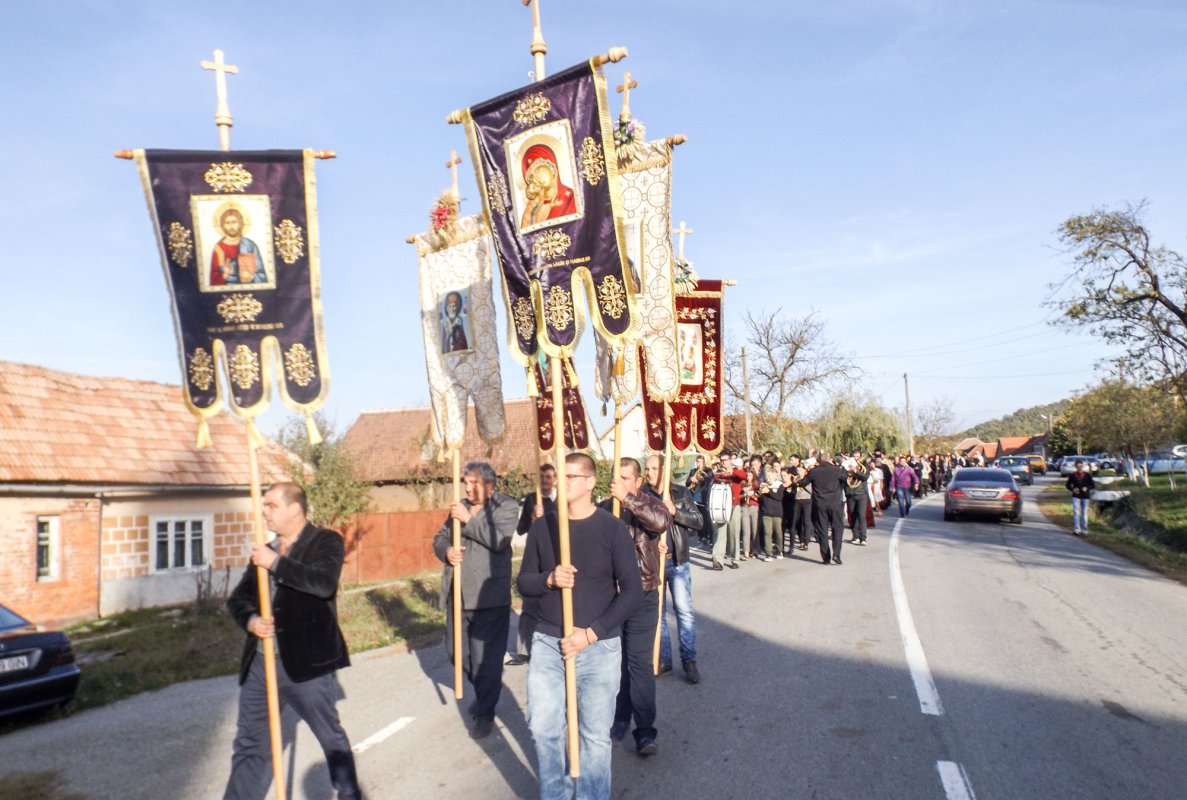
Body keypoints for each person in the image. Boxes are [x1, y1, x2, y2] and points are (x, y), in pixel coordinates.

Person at [224, 482, 361, 800]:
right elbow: (238, 598)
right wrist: (251, 620)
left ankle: (349, 792)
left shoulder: (324, 541)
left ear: (295, 508)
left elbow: (322, 584)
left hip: (307, 662)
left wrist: (275, 563)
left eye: (271, 505)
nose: (264, 511)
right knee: (248, 743)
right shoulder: (266, 548)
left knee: (330, 736)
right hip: (261, 663)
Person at [518, 453, 643, 800]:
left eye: (571, 476)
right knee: (543, 728)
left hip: (598, 647)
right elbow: (523, 583)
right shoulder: (543, 527)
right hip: (547, 643)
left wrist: (590, 634)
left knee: (593, 736)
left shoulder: (613, 529)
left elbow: (632, 593)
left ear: (590, 483)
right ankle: (556, 795)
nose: (562, 481)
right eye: (560, 475)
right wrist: (549, 578)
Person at [432, 461, 518, 739]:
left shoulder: (506, 506)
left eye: (473, 483)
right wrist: (447, 551)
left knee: (486, 661)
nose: (467, 488)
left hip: (488, 597)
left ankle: (485, 711)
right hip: (457, 595)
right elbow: (440, 537)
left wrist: (468, 520)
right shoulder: (459, 507)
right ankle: (484, 694)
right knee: (456, 653)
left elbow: (499, 540)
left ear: (489, 485)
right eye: (465, 482)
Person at [600, 457, 672, 756]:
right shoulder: (604, 509)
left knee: (639, 663)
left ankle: (645, 732)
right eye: (616, 478)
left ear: (638, 481)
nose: (620, 483)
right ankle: (620, 716)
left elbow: (661, 522)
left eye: (626, 478)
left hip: (642, 594)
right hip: (611, 597)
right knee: (616, 663)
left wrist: (628, 500)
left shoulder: (650, 502)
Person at [645, 455, 702, 684]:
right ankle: (663, 658)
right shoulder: (643, 496)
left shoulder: (680, 493)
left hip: (678, 562)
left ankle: (689, 661)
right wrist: (651, 542)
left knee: (684, 612)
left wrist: (675, 512)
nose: (648, 472)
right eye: (646, 468)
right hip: (654, 564)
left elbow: (698, 522)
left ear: (664, 470)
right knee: (657, 616)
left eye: (653, 468)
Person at [509, 464, 558, 666]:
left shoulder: (561, 500)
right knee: (529, 605)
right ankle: (524, 651)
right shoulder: (531, 499)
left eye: (549, 477)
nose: (545, 482)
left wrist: (546, 516)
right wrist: (531, 519)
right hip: (534, 558)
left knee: (553, 604)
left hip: (555, 557)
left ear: (555, 479)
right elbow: (520, 530)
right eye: (542, 478)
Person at [797, 452, 848, 565]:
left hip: (820, 504)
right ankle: (837, 555)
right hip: (835, 503)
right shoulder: (837, 470)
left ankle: (826, 558)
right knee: (837, 529)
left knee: (822, 531)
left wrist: (795, 482)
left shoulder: (814, 472)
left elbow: (802, 483)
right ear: (830, 459)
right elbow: (847, 481)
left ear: (818, 461)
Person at [519, 143, 578, 228]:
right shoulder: (531, 209)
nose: (537, 177)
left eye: (539, 169)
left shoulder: (572, 198)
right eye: (531, 175)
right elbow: (526, 238)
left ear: (552, 167)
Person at [710, 451, 747, 569]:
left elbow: (744, 476)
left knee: (734, 533)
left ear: (730, 460)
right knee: (721, 533)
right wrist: (718, 475)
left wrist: (733, 471)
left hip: (734, 505)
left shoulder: (736, 472)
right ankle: (718, 560)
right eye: (722, 460)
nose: (724, 462)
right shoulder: (718, 474)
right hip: (722, 507)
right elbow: (714, 482)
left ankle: (735, 559)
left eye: (726, 460)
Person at [211, 207, 265, 286]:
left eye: (234, 222)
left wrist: (251, 276)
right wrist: (225, 274)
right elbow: (213, 279)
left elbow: (262, 275)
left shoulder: (250, 245)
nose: (231, 226)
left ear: (240, 223)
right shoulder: (218, 248)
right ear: (223, 225)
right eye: (227, 223)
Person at [685, 454, 714, 547]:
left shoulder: (708, 470)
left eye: (701, 462)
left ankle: (708, 537)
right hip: (694, 496)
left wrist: (702, 479)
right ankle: (700, 536)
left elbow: (710, 479)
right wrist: (691, 479)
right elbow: (687, 483)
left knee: (706, 518)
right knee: (698, 518)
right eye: (698, 462)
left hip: (704, 496)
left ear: (704, 462)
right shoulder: (693, 471)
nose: (699, 464)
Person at [757, 462, 785, 560]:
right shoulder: (764, 484)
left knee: (778, 532)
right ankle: (768, 553)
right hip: (766, 512)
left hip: (777, 512)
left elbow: (779, 497)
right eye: (766, 475)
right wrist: (761, 492)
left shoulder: (779, 485)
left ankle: (779, 550)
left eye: (769, 475)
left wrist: (769, 491)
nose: (768, 477)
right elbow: (761, 500)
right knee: (767, 532)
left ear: (774, 475)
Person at [844, 452, 870, 545]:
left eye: (858, 457)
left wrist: (856, 471)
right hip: (850, 493)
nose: (856, 458)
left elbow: (865, 477)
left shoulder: (865, 466)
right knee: (853, 515)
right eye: (854, 456)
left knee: (861, 516)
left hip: (861, 493)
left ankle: (863, 538)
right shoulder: (846, 465)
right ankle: (855, 536)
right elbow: (843, 477)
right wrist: (848, 472)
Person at [1066, 460, 1095, 537]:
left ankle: (1084, 530)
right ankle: (1076, 529)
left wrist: (1087, 488)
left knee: (1084, 513)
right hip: (1076, 496)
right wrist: (1073, 489)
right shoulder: (1073, 475)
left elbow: (1092, 485)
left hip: (1085, 496)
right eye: (1078, 466)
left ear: (1083, 466)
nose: (1080, 468)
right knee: (1076, 512)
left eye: (1081, 466)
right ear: (1076, 467)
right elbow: (1067, 485)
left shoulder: (1087, 475)